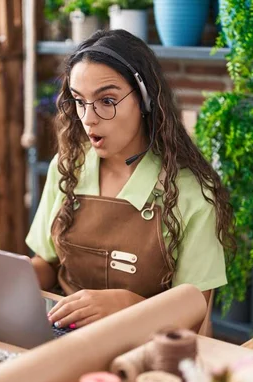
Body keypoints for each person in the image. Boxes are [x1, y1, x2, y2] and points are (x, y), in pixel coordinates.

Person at [26, 30, 234, 331]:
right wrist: (12, 282)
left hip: (146, 351)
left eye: (107, 100)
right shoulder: (68, 166)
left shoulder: (194, 193)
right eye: (79, 101)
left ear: (145, 99)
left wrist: (127, 304)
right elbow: (45, 263)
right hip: (64, 337)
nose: (88, 118)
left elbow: (195, 314)